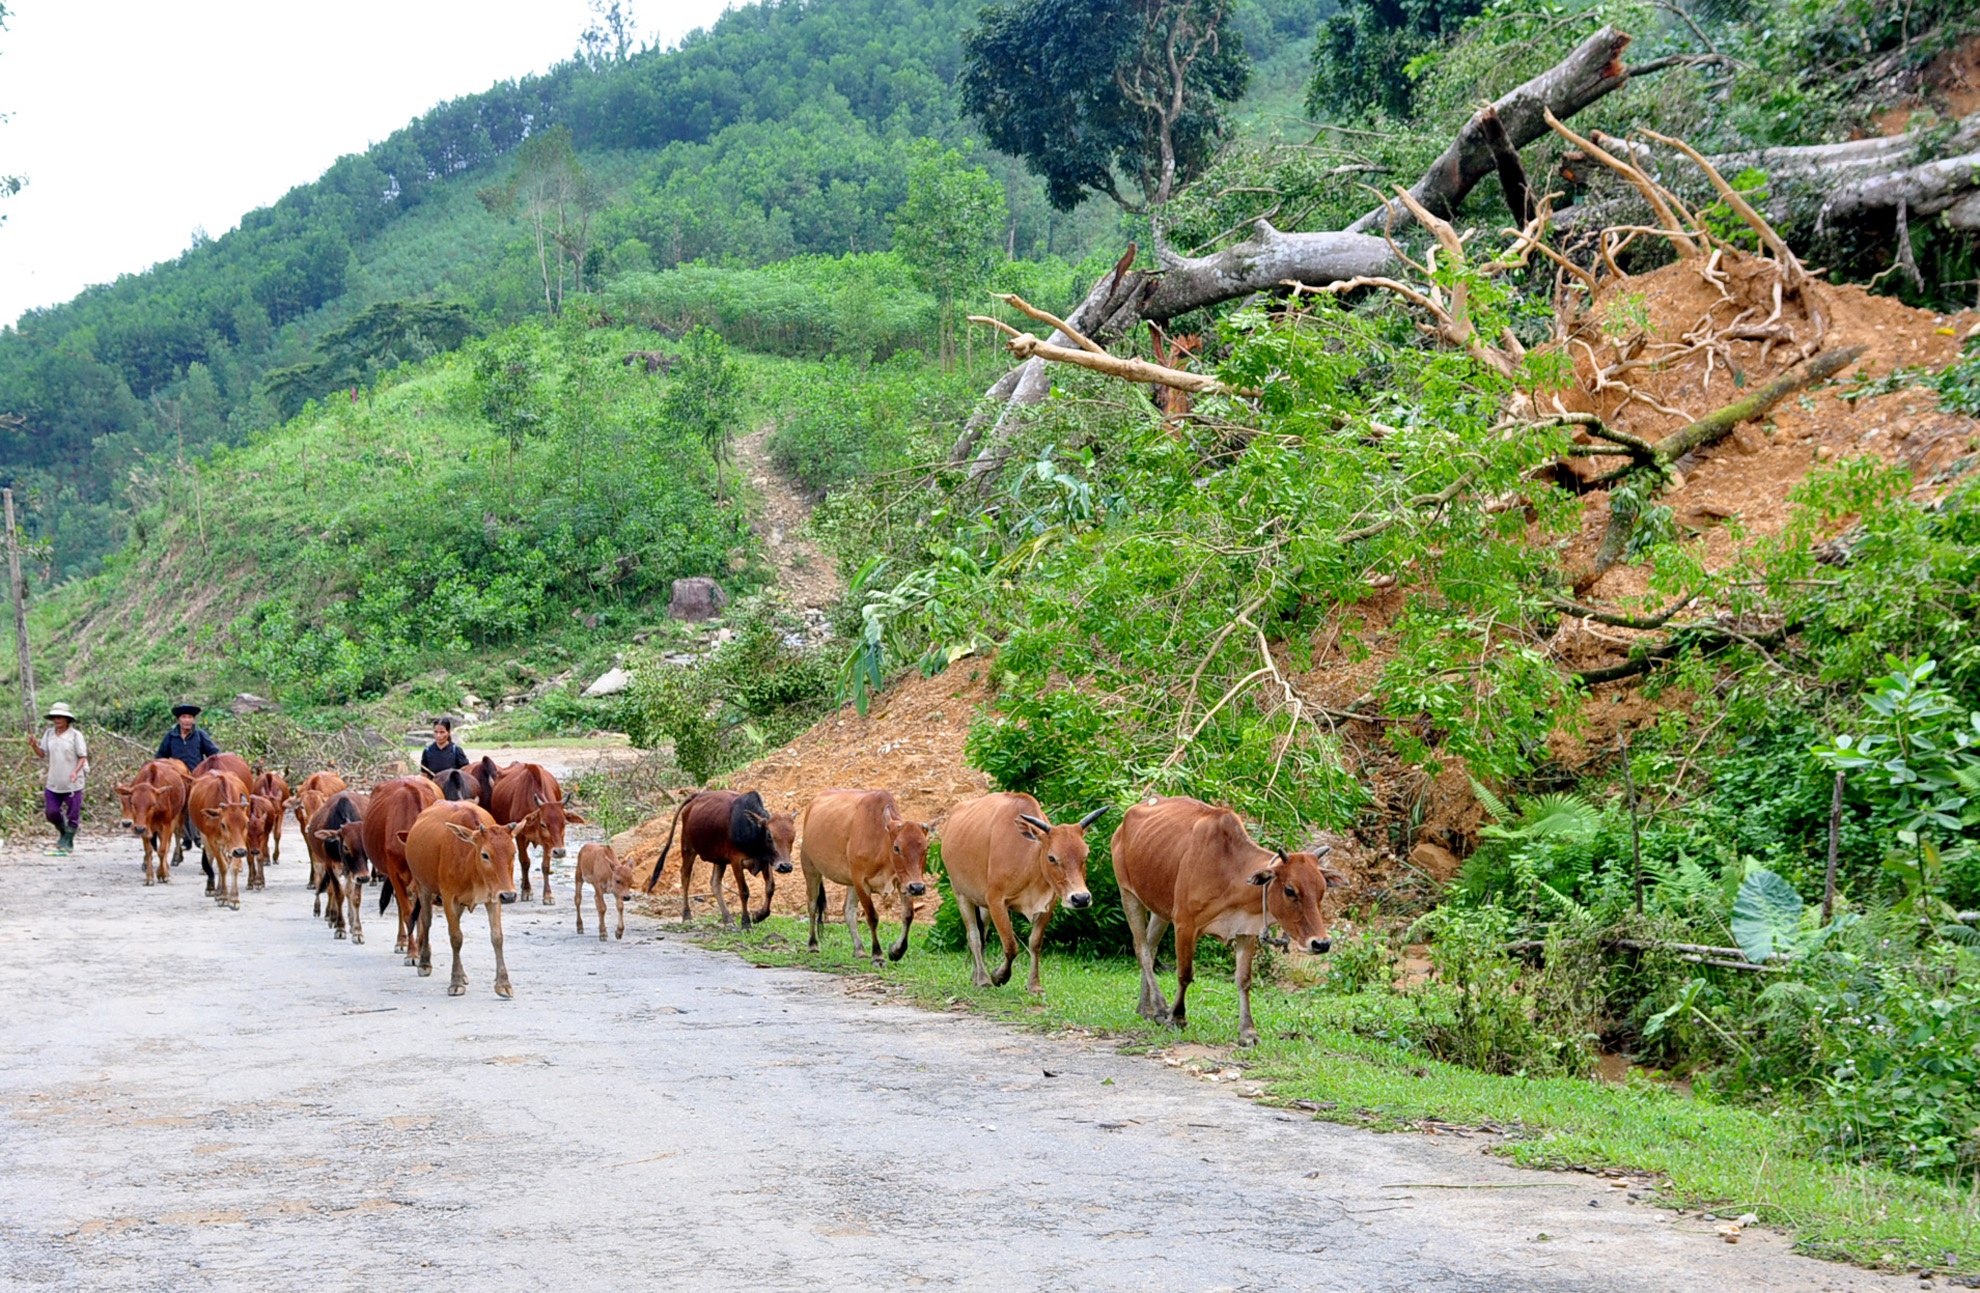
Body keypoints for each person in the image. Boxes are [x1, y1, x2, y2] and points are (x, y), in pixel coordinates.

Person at [157, 703, 220, 851]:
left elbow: (214, 753)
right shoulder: (171, 736)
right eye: (184, 717)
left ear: (193, 720)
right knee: (179, 809)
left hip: (196, 777)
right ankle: (185, 839)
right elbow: (160, 757)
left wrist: (209, 770)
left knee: (196, 807)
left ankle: (197, 837)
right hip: (177, 779)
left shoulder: (200, 735)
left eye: (190, 717)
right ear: (179, 719)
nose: (187, 720)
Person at [29, 702, 88, 855]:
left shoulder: (75, 736)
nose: (57, 720)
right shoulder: (49, 734)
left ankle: (68, 840)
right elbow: (42, 754)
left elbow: (82, 757)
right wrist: (34, 745)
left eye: (60, 717)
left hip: (72, 783)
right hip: (54, 781)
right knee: (51, 812)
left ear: (67, 719)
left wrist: (75, 771)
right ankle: (62, 832)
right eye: (55, 717)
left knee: (73, 814)